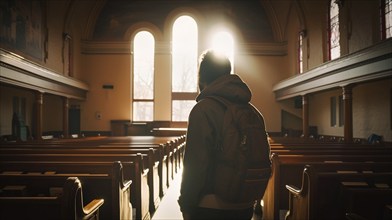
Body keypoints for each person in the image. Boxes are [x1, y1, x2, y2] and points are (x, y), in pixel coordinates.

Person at [178, 49, 270, 220]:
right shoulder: (252, 111)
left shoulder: (203, 109)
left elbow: (195, 164)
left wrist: (187, 204)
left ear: (202, 77)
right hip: (245, 204)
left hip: (210, 206)